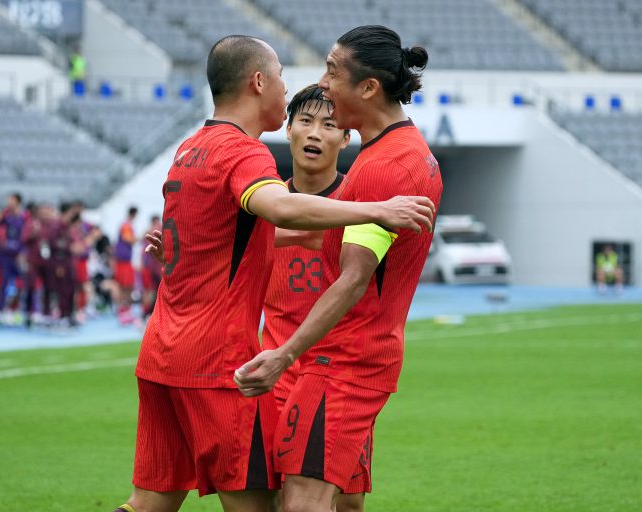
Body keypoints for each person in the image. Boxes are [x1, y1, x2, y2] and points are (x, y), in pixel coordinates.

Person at [114, 34, 435, 512]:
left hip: (162, 353)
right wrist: (377, 210)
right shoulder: (246, 155)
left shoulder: (191, 147)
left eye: (329, 75)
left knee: (150, 503)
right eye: (284, 77)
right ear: (259, 82)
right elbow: (284, 211)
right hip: (226, 363)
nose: (304, 89)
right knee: (275, 504)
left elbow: (256, 235)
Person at [234, 26, 443, 512]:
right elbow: (318, 235)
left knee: (304, 503)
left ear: (368, 88)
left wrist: (284, 354)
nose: (323, 83)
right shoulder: (396, 153)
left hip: (342, 364)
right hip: (344, 361)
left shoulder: (385, 168)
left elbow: (353, 279)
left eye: (332, 70)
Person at [260, 83, 369, 512]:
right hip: (276, 373)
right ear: (287, 130)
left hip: (339, 374)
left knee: (349, 503)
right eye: (304, 121)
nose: (315, 133)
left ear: (346, 138)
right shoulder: (262, 202)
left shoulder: (360, 204)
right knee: (277, 498)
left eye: (329, 124)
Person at [0, 193, 25, 325]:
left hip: (18, 258)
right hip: (3, 258)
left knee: (22, 285)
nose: (8, 202)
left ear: (17, 201)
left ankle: (13, 309)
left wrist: (22, 253)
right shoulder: (3, 217)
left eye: (11, 199)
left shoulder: (24, 218)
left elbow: (26, 237)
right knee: (3, 286)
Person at [114, 206, 138, 325]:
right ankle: (122, 311)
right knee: (124, 286)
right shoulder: (126, 225)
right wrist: (140, 237)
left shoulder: (127, 225)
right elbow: (128, 239)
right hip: (123, 262)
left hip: (126, 261)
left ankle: (126, 310)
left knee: (128, 286)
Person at [139, 215, 162, 322]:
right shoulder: (150, 234)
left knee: (154, 290)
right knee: (149, 290)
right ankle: (145, 313)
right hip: (149, 268)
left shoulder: (151, 234)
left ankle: (148, 312)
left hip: (154, 268)